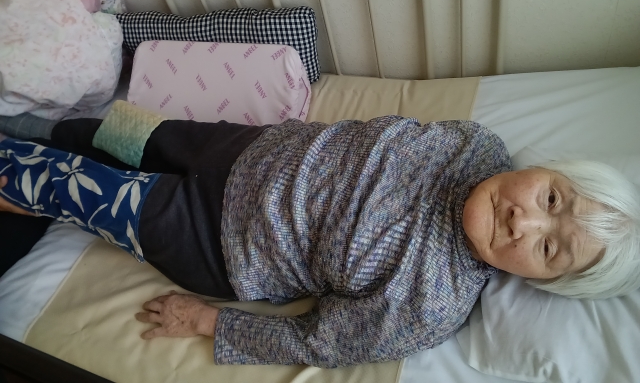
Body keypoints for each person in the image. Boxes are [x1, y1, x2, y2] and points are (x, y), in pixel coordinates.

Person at [0, 104, 639, 368]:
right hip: (241, 150)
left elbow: (318, 341)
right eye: (551, 199)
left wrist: (207, 322)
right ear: (548, 171)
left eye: (548, 248)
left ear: (539, 281)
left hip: (217, 239)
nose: (524, 221)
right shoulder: (476, 143)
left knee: (74, 187)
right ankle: (40, 126)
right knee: (121, 132)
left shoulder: (431, 304)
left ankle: (19, 171)